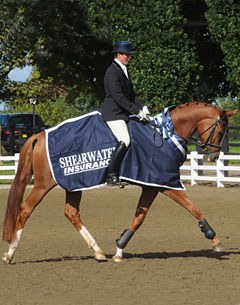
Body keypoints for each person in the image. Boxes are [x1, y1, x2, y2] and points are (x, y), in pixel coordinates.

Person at [101, 40, 149, 186]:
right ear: (119, 55)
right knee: (125, 140)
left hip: (123, 113)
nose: (130, 57)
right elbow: (119, 97)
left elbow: (132, 95)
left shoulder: (122, 69)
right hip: (113, 113)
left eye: (130, 55)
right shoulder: (112, 72)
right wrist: (136, 111)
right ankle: (111, 175)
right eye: (127, 55)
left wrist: (143, 107)